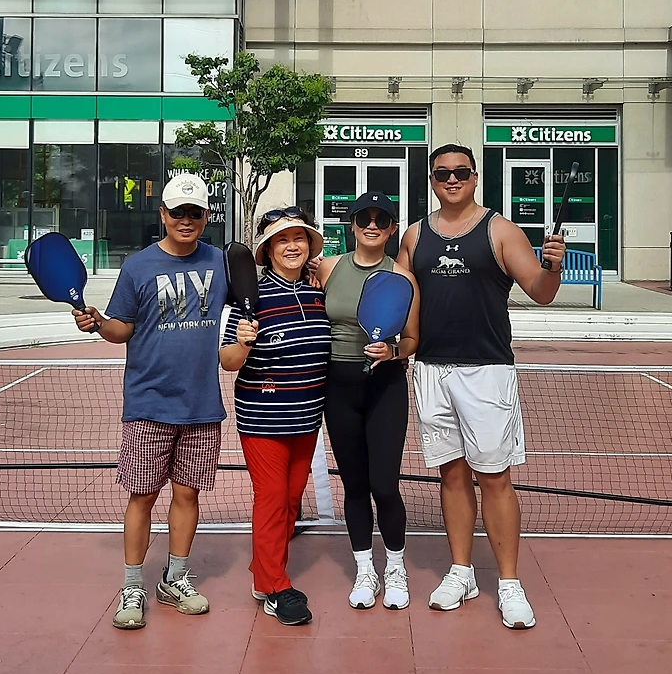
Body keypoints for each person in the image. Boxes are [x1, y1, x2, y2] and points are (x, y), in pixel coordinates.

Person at [396, 143, 565, 629]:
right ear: (432, 180)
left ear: (474, 178)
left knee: (494, 477)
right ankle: (461, 571)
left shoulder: (500, 230)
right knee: (450, 474)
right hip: (431, 369)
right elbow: (402, 297)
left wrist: (553, 265)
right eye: (442, 173)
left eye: (460, 172)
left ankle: (509, 583)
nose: (451, 179)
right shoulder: (414, 236)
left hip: (487, 371)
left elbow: (541, 292)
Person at [74, 173, 226, 630]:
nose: (186, 220)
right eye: (177, 212)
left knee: (187, 494)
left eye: (194, 212)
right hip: (148, 403)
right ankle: (132, 586)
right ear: (163, 214)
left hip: (202, 404)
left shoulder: (220, 262)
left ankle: (175, 579)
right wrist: (98, 322)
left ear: (206, 216)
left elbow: (260, 288)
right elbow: (122, 328)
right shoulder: (138, 266)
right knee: (142, 496)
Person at [220, 206, 330, 626]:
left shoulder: (318, 293)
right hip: (264, 418)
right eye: (281, 240)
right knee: (271, 499)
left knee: (290, 502)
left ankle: (262, 572)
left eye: (298, 237)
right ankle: (275, 586)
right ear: (267, 250)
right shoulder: (250, 298)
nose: (292, 246)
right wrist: (243, 342)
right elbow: (229, 361)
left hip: (307, 416)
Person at [313, 191, 419, 610]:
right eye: (363, 218)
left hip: (385, 386)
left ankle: (395, 568)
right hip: (337, 387)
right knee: (354, 484)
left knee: (385, 485)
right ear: (352, 225)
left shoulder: (403, 277)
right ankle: (364, 570)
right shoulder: (328, 267)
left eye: (381, 219)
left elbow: (412, 338)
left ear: (392, 229)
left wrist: (393, 351)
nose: (371, 225)